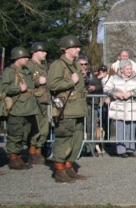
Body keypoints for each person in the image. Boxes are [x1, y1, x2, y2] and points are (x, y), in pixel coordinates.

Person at [46, 35, 89, 183]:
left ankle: (69, 166)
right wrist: (71, 81)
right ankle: (59, 170)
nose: (78, 49)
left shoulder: (76, 65)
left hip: (77, 108)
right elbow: (52, 85)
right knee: (64, 138)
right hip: (66, 108)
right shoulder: (58, 65)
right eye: (75, 47)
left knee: (76, 139)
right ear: (67, 49)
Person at [0, 47, 38, 170]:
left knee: (23, 134)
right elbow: (4, 88)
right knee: (15, 134)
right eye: (25, 57)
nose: (27, 59)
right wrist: (18, 89)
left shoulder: (26, 71)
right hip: (17, 109)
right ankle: (13, 158)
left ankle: (19, 156)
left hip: (28, 108)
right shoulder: (10, 72)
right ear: (17, 58)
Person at [104, 59, 136, 157]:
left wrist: (131, 93)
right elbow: (106, 88)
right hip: (118, 106)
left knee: (131, 129)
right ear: (121, 70)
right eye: (127, 69)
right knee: (120, 129)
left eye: (130, 69)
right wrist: (116, 94)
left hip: (131, 105)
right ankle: (121, 150)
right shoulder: (114, 78)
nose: (129, 71)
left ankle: (130, 149)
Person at [24, 41, 50, 165]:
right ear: (35, 52)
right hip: (35, 100)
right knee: (35, 127)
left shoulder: (43, 66)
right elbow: (24, 81)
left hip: (44, 99)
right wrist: (36, 81)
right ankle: (32, 152)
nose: (45, 53)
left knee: (44, 128)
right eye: (42, 51)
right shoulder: (29, 66)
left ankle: (39, 151)